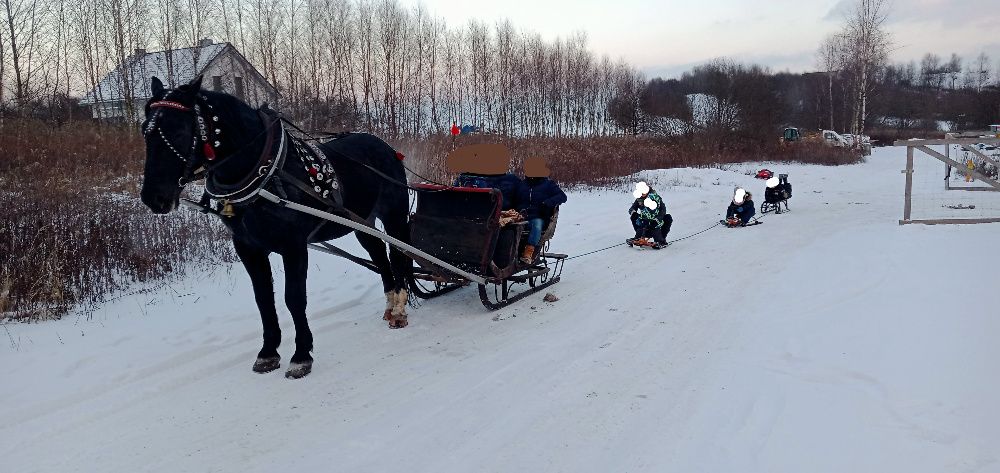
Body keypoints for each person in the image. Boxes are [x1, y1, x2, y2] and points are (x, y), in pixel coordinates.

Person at [517, 156, 567, 263]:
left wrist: (547, 203)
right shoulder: (522, 185)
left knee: (537, 225)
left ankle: (528, 253)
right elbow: (515, 199)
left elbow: (562, 196)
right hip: (521, 216)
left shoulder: (548, 184)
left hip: (538, 216)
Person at [448, 143, 524, 211]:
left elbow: (454, 200)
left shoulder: (465, 178)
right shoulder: (511, 180)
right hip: (498, 217)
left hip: (467, 217)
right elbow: (522, 201)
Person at [627, 181, 672, 249]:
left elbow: (663, 210)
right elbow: (632, 208)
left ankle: (661, 240)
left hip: (656, 220)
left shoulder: (655, 197)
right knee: (634, 217)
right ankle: (639, 236)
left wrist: (656, 220)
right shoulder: (639, 199)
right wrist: (633, 213)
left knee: (668, 218)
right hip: (645, 220)